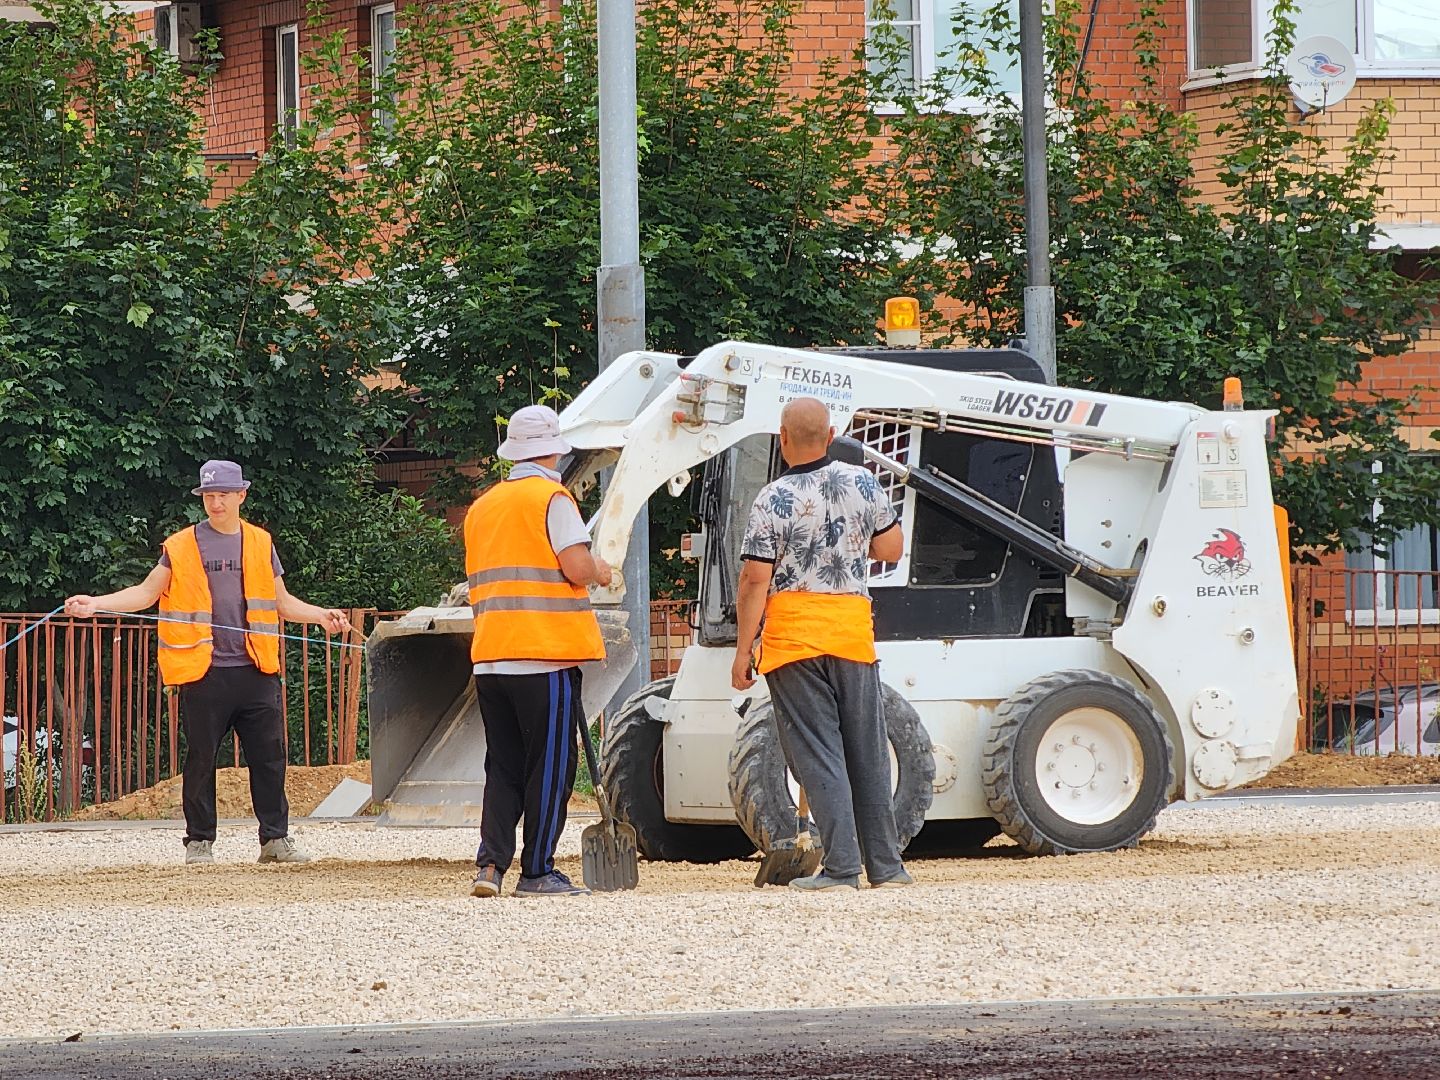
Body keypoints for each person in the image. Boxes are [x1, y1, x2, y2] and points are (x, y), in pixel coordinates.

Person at [65, 460, 349, 866]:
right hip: (203, 671)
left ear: (241, 496)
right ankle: (199, 842)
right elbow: (146, 593)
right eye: (209, 496)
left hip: (256, 670)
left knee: (270, 759)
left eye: (223, 495)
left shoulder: (260, 542)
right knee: (201, 760)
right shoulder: (180, 546)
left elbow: (282, 602)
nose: (216, 503)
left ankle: (275, 839)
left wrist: (321, 615)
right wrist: (96, 603)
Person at [731, 397, 910, 891]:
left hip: (794, 640)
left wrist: (743, 650)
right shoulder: (863, 482)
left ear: (783, 438)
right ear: (831, 435)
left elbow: (754, 580)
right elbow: (891, 549)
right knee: (867, 754)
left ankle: (842, 869)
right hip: (852, 633)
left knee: (818, 753)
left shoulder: (773, 498)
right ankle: (888, 868)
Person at [465, 404, 612, 899]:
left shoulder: (483, 507)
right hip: (543, 654)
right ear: (554, 450)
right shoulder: (552, 497)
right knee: (550, 766)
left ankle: (491, 866)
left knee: (503, 766)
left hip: (491, 657)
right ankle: (537, 871)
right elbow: (576, 566)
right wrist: (601, 569)